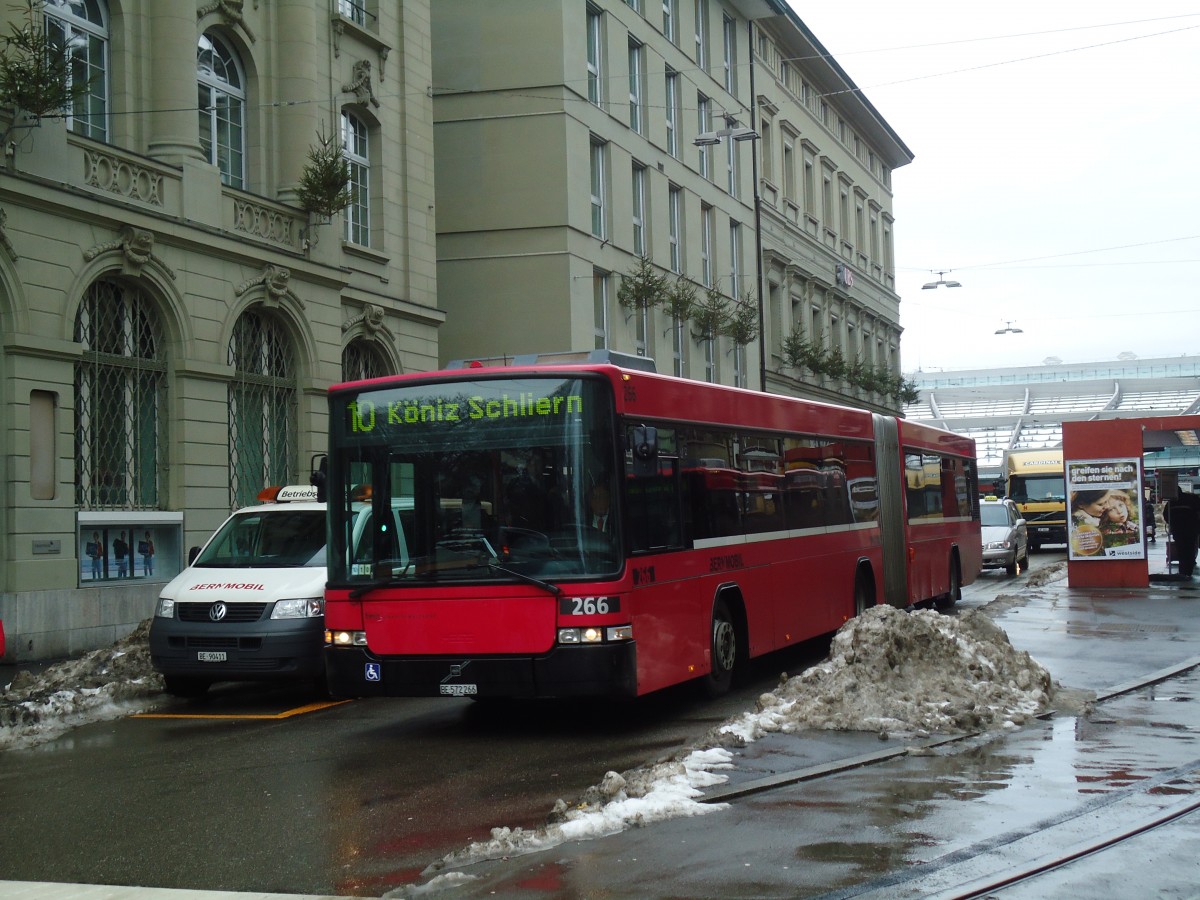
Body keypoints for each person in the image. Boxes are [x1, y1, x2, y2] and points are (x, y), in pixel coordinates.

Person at [1164, 487, 1200, 577]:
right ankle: (1187, 571)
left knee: (1182, 550)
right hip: (1191, 529)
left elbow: (1166, 516)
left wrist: (1173, 524)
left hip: (1179, 530)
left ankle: (1184, 572)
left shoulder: (1171, 503)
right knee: (1189, 549)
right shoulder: (1192, 499)